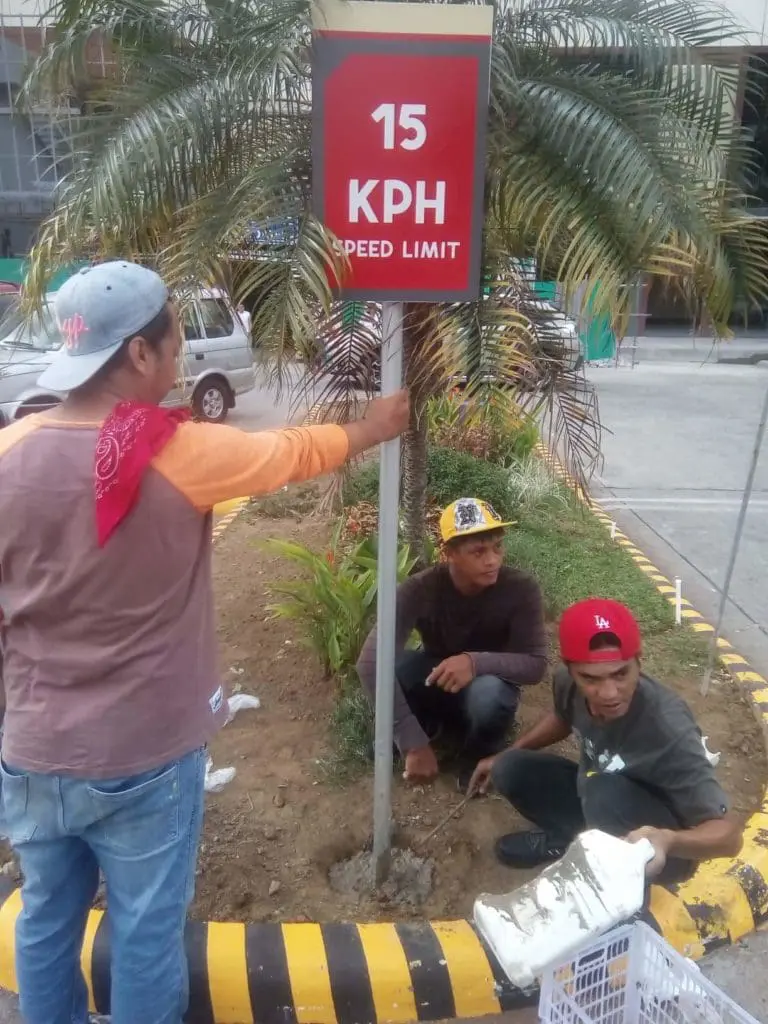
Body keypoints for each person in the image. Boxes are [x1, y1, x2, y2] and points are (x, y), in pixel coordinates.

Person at [0, 260, 409, 1024]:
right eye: (176, 337)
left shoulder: (10, 450)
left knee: (45, 916)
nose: (184, 350)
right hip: (145, 755)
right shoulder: (177, 453)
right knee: (148, 934)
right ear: (139, 356)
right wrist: (375, 426)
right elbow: (292, 452)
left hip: (32, 751)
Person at [469, 598, 742, 881]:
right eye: (590, 679)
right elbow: (563, 718)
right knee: (510, 767)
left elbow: (728, 837)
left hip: (659, 847)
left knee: (602, 792)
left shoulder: (669, 730)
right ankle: (571, 842)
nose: (609, 693)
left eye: (620, 674)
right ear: (571, 670)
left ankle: (618, 883)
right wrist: (507, 752)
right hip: (599, 795)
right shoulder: (567, 683)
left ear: (639, 661)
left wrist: (667, 840)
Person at [357, 497, 546, 785]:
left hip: (486, 683)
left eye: (497, 547)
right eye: (478, 551)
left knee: (490, 696)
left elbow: (535, 665)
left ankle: (478, 753)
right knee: (393, 667)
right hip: (437, 676)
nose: (492, 559)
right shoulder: (420, 588)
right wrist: (411, 740)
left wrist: (474, 662)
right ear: (449, 554)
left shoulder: (521, 589)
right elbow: (370, 662)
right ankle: (423, 727)